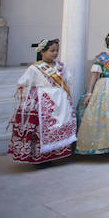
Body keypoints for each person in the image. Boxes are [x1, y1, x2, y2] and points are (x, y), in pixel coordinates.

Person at [7, 38, 76, 166]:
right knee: (41, 130)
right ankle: (40, 158)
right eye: (52, 51)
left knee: (60, 126)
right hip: (43, 101)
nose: (55, 53)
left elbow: (68, 80)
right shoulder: (35, 68)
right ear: (42, 52)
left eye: (57, 50)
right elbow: (23, 83)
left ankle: (56, 153)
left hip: (60, 101)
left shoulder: (61, 66)